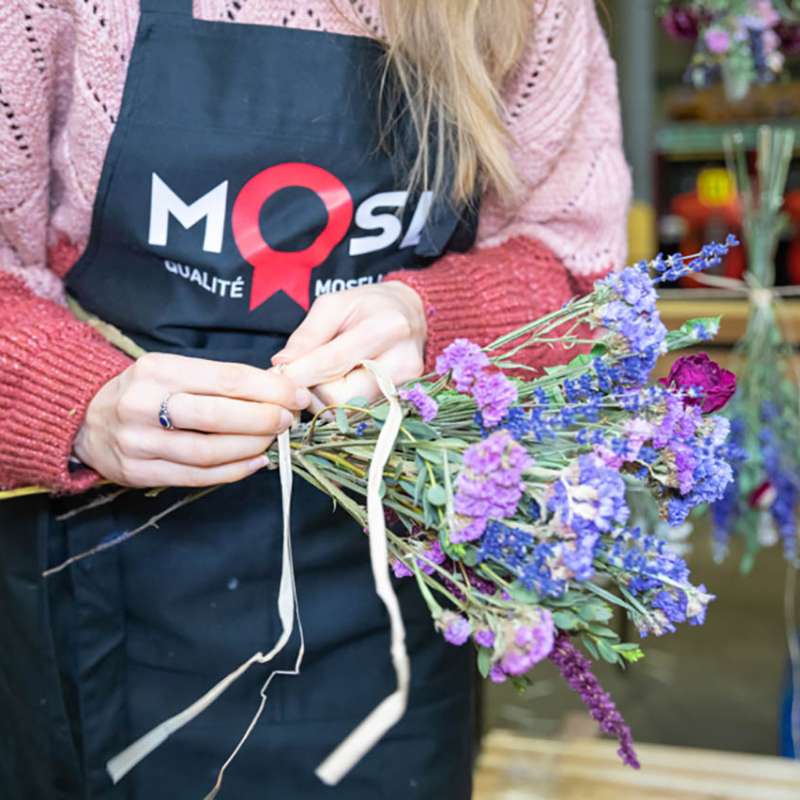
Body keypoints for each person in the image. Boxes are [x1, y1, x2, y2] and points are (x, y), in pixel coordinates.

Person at [0, 1, 630, 798]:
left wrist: (432, 322)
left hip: (385, 624)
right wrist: (73, 396)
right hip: (99, 618)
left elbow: (582, 280)